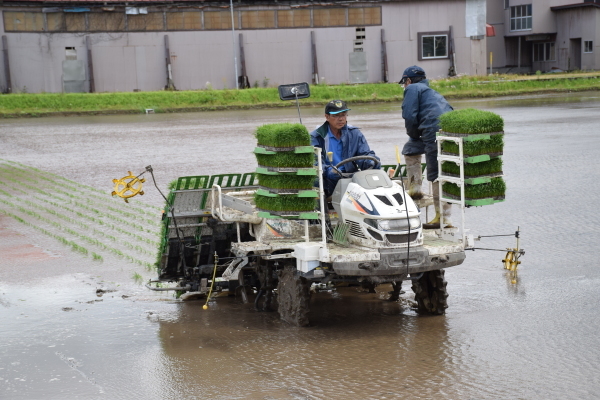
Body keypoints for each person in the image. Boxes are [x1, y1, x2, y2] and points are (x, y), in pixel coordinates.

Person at [399, 65, 453, 229]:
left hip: (432, 129)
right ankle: (415, 189)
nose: (404, 86)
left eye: (404, 83)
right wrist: (415, 138)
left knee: (436, 171)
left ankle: (442, 217)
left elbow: (409, 115)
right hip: (446, 127)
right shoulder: (430, 91)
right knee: (410, 150)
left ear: (408, 80)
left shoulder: (412, 88)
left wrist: (413, 134)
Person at [310, 100, 380, 197]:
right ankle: (324, 210)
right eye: (336, 115)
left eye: (344, 115)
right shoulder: (316, 137)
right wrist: (329, 171)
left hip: (351, 177)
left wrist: (371, 161)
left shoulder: (355, 133)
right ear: (327, 117)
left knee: (375, 172)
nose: (341, 119)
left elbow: (365, 154)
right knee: (316, 181)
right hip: (328, 179)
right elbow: (316, 164)